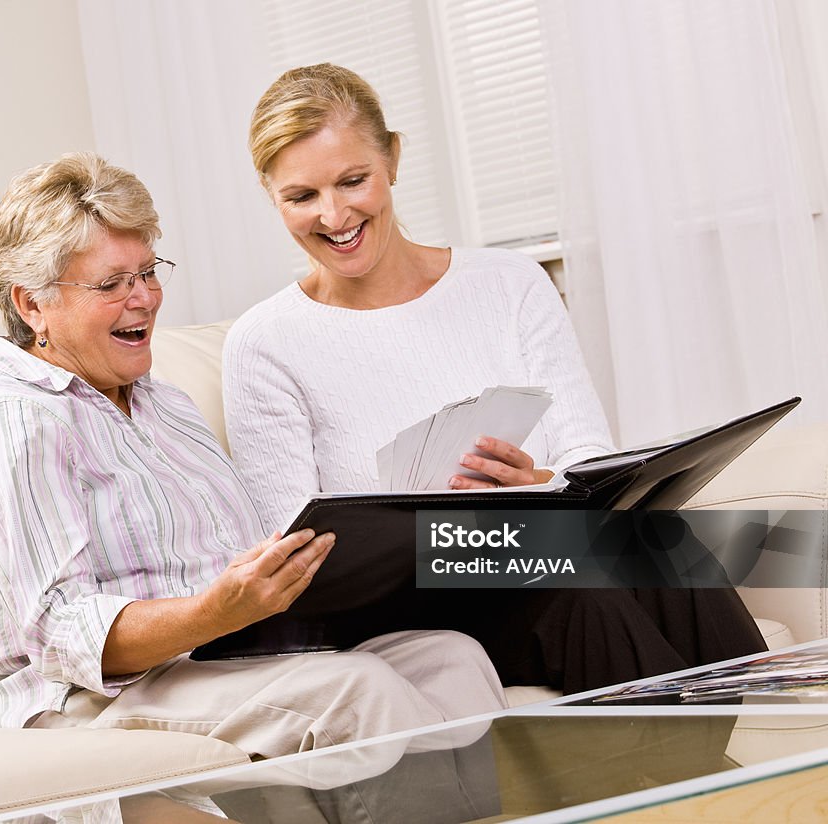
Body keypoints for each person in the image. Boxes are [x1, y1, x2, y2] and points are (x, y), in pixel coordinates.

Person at [0, 152, 507, 765]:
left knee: (452, 659)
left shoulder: (162, 403)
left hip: (220, 656)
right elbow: (59, 634)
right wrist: (213, 612)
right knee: (356, 692)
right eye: (111, 283)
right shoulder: (10, 424)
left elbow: (236, 562)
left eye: (148, 272)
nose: (144, 299)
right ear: (32, 305)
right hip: (84, 704)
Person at [223, 63, 767, 695]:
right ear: (270, 195)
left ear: (393, 159)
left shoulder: (510, 286)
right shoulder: (264, 344)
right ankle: (708, 788)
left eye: (353, 180)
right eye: (301, 197)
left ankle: (792, 755)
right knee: (585, 595)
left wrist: (534, 484)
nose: (334, 214)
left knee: (666, 543)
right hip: (414, 602)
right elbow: (299, 555)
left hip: (534, 548)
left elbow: (588, 460)